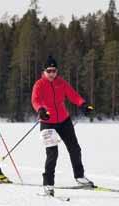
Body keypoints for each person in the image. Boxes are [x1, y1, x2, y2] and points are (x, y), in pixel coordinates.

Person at [31, 56, 94, 196]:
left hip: (64, 120)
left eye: (54, 70)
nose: (52, 73)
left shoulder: (61, 83)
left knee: (74, 148)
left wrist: (83, 105)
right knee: (53, 153)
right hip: (47, 122)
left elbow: (73, 95)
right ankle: (48, 184)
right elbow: (35, 100)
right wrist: (40, 110)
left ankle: (79, 177)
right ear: (44, 71)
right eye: (49, 71)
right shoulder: (39, 84)